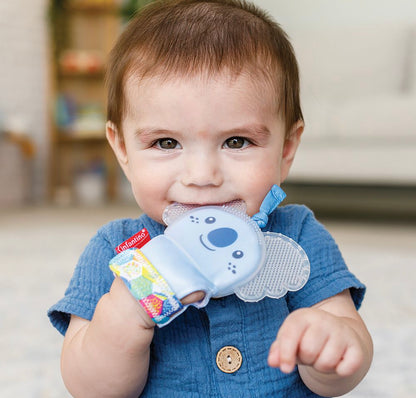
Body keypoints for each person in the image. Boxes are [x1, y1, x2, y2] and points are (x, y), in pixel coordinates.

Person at [48, 0, 373, 396]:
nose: (202, 177)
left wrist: (329, 343)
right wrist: (126, 311)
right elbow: (91, 389)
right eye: (166, 142)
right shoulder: (115, 252)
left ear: (286, 148)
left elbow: (343, 367)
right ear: (122, 150)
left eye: (237, 141)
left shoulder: (299, 235)